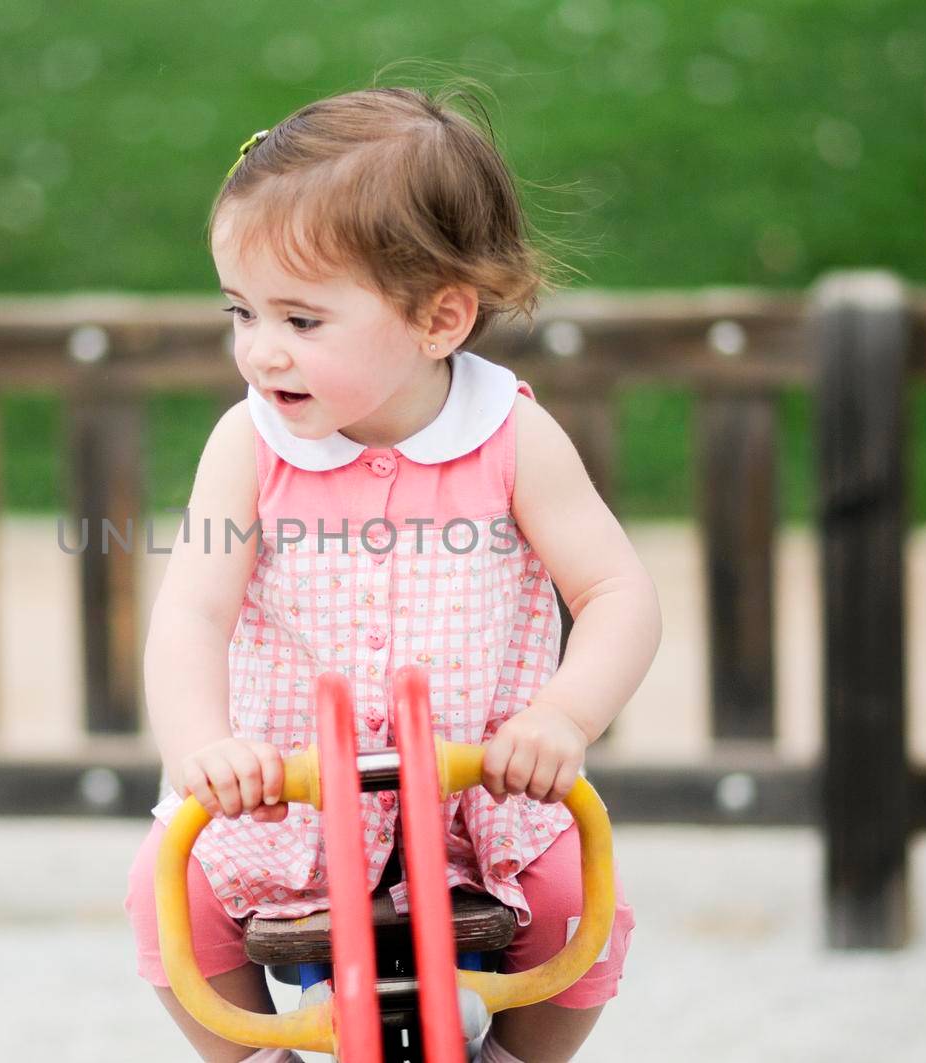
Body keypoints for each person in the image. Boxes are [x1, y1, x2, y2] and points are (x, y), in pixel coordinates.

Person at [124, 84, 662, 1063]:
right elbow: (192, 613)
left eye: (300, 319)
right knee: (169, 897)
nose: (259, 350)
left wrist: (561, 720)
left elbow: (616, 592)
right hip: (285, 795)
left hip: (477, 796)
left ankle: (521, 1055)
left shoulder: (510, 436)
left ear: (438, 319)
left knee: (581, 900)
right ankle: (253, 1055)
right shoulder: (248, 446)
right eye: (240, 311)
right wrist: (207, 745)